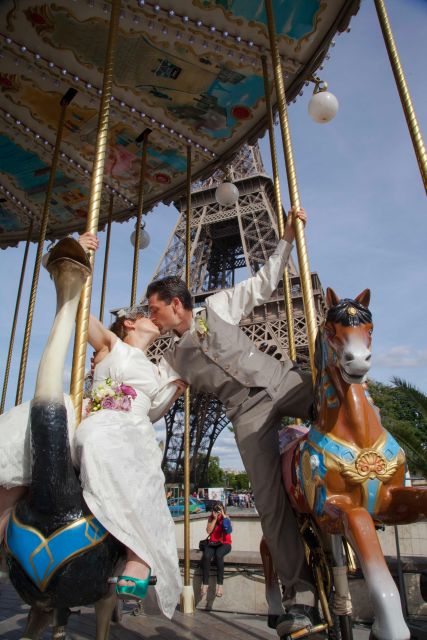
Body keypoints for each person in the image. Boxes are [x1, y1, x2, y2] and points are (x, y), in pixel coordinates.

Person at [147, 207, 317, 635]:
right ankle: (301, 592)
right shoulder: (170, 358)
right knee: (269, 503)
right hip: (245, 413)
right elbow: (156, 400)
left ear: (176, 304)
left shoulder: (216, 305)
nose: (153, 316)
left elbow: (262, 284)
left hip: (280, 382)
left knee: (342, 397)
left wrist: (289, 239)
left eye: (155, 309)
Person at [0, 232, 184, 619]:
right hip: (95, 418)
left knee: (140, 460)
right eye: (144, 314)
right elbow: (80, 310)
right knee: (27, 442)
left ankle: (136, 556)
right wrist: (82, 259)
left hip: (129, 427)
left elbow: (153, 411)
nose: (152, 318)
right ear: (129, 324)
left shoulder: (159, 371)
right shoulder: (110, 346)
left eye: (156, 315)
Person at [200, 502, 232, 598]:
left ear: (223, 509)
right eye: (216, 509)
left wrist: (223, 516)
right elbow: (209, 531)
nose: (218, 510)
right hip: (213, 543)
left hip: (225, 543)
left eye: (220, 508)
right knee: (206, 556)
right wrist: (214, 519)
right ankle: (205, 584)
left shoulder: (226, 518)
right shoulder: (211, 518)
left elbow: (228, 530)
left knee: (218, 555)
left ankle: (220, 586)